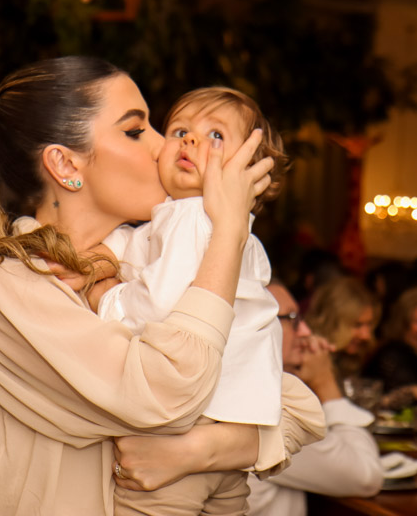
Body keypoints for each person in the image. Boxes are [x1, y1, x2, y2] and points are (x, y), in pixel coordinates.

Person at [0, 56, 325, 515]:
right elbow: (173, 391)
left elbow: (297, 407)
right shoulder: (2, 279)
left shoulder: (149, 259)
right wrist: (229, 230)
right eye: (136, 131)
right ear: (65, 164)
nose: (164, 145)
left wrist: (196, 452)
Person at [94, 87, 291, 513]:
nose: (191, 139)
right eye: (179, 130)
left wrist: (106, 297)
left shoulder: (190, 218)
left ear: (249, 171)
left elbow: (158, 305)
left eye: (216, 136)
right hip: (234, 433)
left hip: (182, 428)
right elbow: (141, 243)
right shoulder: (226, 230)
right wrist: (116, 246)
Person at [112, 282, 383, 516]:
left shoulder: (209, 391)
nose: (305, 332)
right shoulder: (257, 406)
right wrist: (326, 384)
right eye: (290, 319)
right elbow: (365, 474)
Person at [303, 277, 378, 381]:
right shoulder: (304, 360)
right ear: (331, 322)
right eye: (357, 325)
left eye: (369, 324)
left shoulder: (351, 358)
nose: (366, 335)